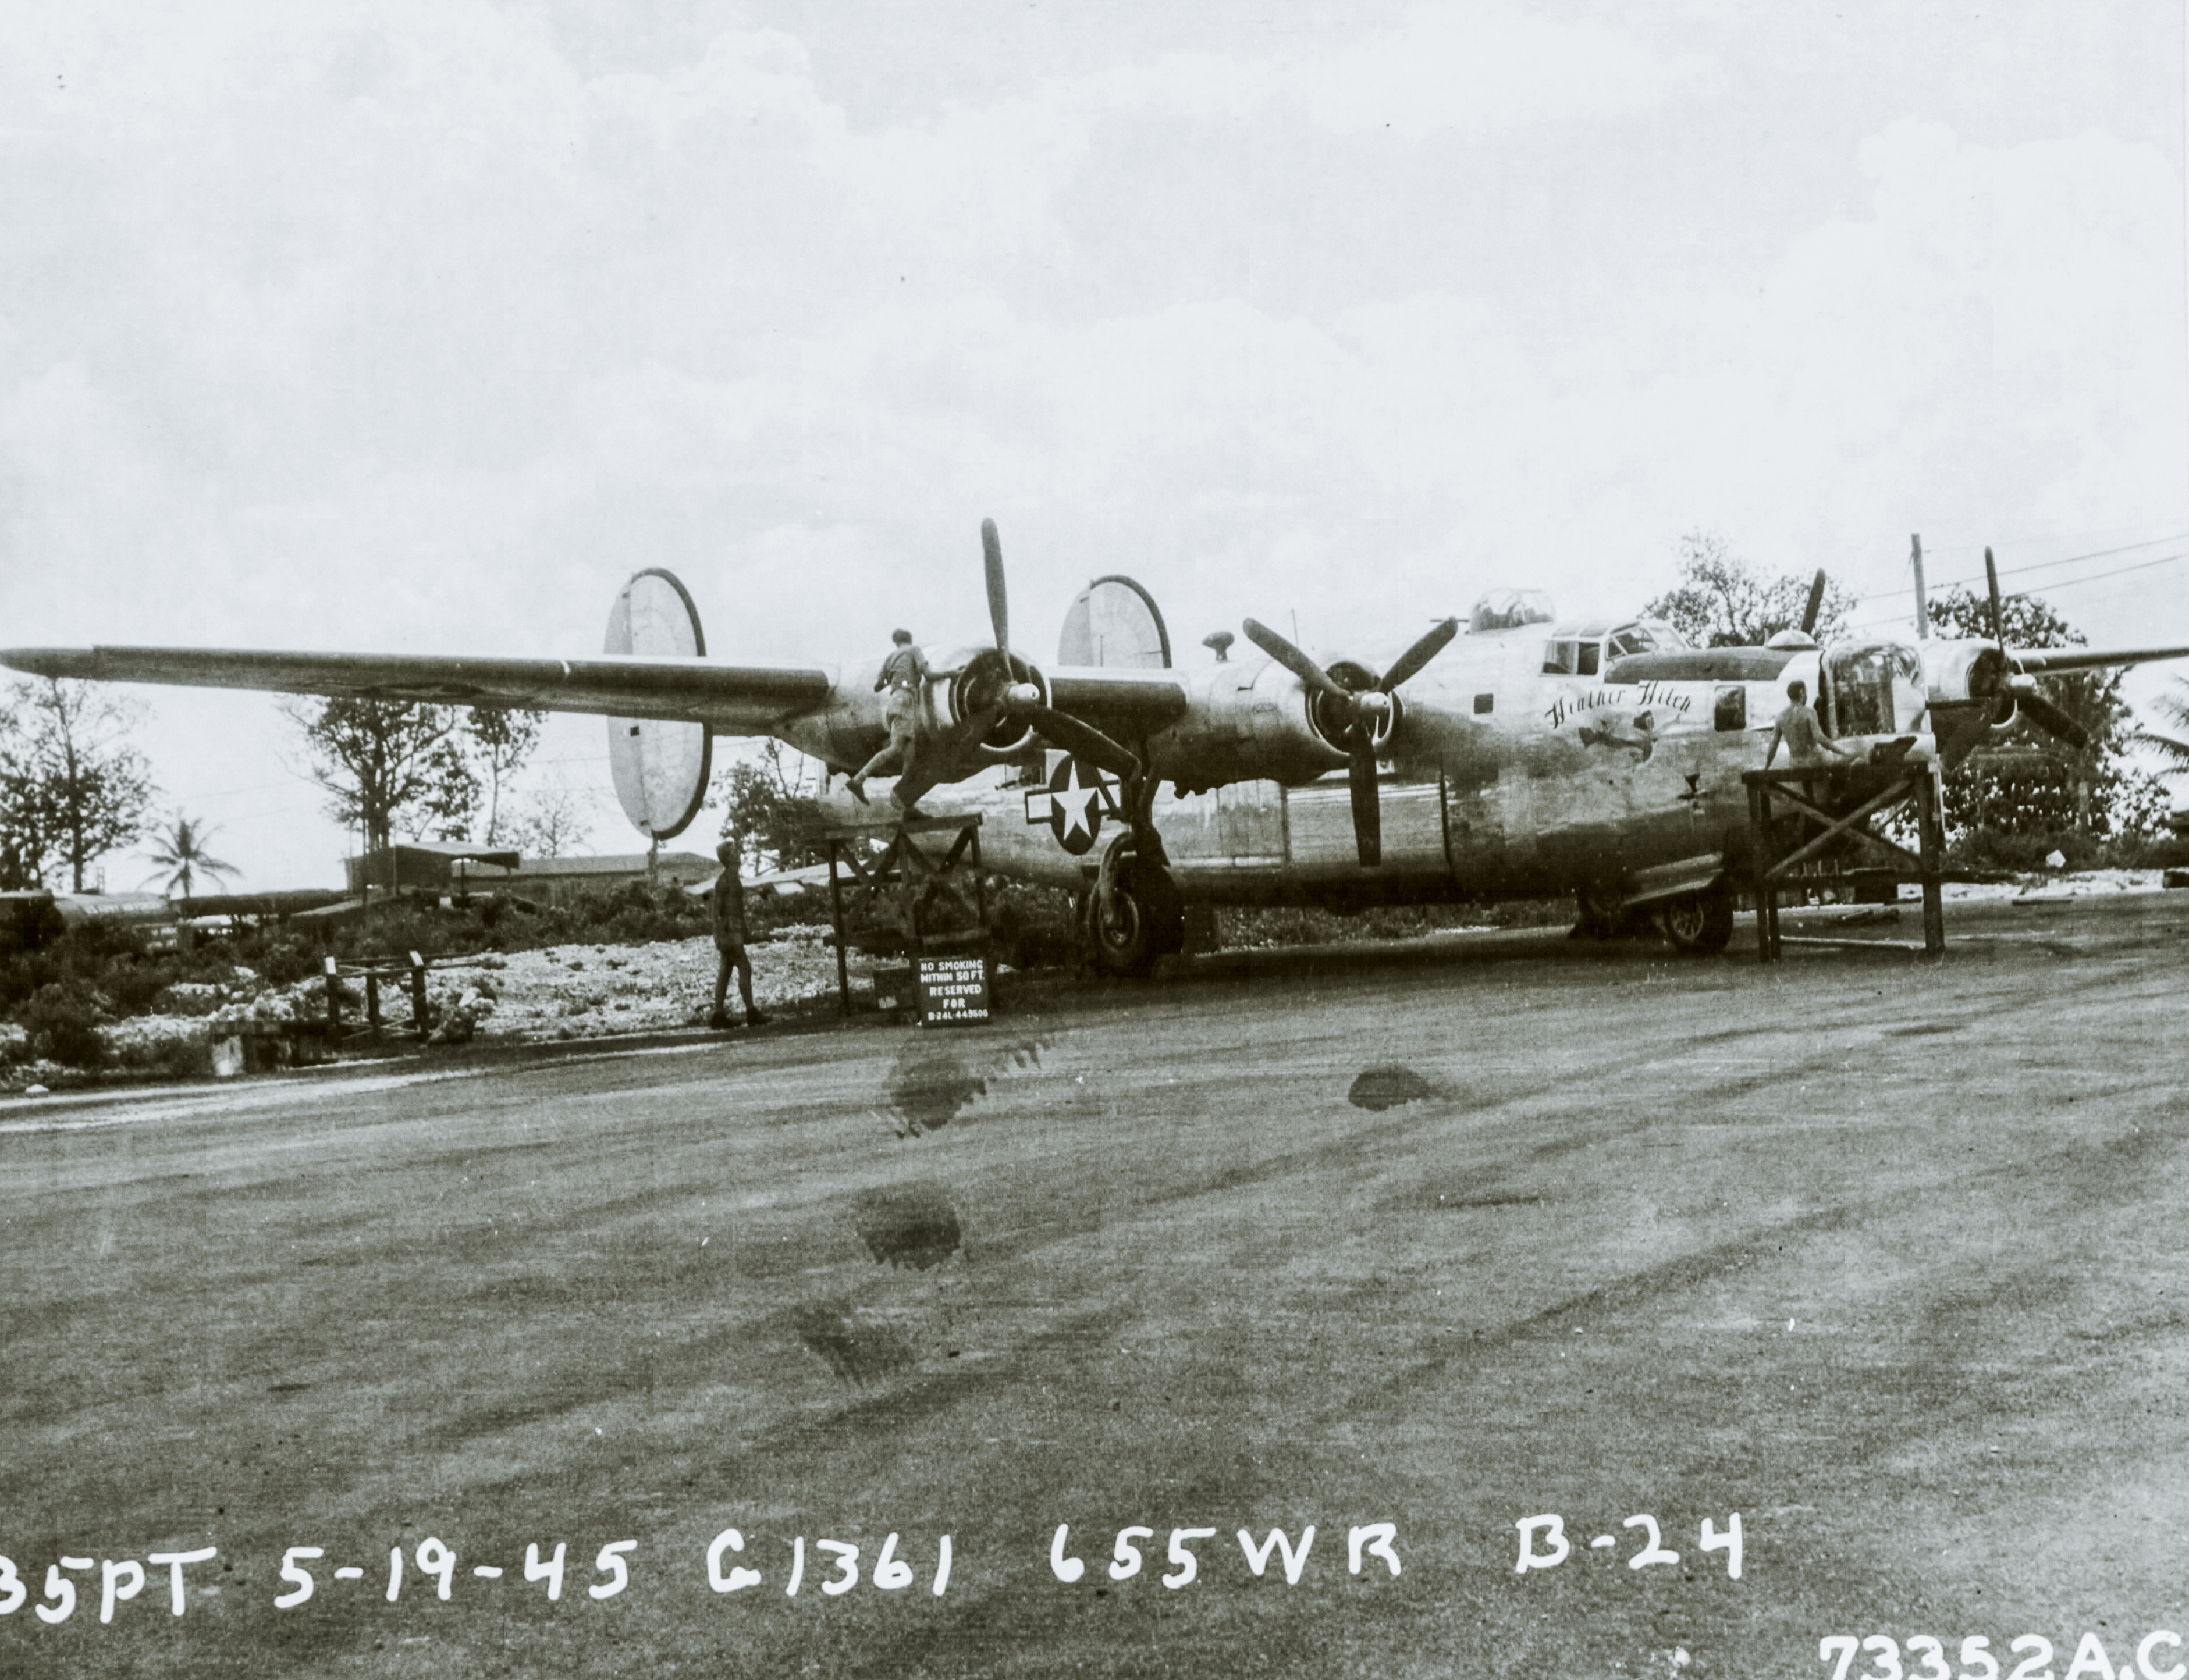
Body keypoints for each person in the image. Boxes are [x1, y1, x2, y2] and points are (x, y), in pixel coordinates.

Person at [845, 629, 932, 805]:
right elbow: (928, 675)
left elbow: (877, 687)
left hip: (896, 703)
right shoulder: (914, 650)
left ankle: (906, 803)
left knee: (910, 755)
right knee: (897, 748)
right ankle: (858, 780)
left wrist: (892, 680)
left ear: (896, 642)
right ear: (910, 639)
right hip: (906, 702)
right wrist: (951, 674)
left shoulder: (890, 658)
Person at [708, 835, 769, 1031]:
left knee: (726, 971)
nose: (738, 853)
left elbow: (736, 906)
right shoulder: (725, 880)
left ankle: (719, 1015)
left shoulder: (732, 878)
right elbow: (717, 910)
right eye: (734, 851)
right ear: (729, 857)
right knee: (745, 967)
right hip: (729, 930)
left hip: (732, 929)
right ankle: (751, 1012)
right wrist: (721, 934)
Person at [1764, 678, 1863, 770]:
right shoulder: (1809, 712)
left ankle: (1810, 789)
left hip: (1795, 763)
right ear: (1802, 693)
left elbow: (1774, 745)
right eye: (1806, 692)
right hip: (1813, 761)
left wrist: (1766, 767)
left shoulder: (1781, 716)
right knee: (1854, 755)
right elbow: (1820, 738)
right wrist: (1844, 751)